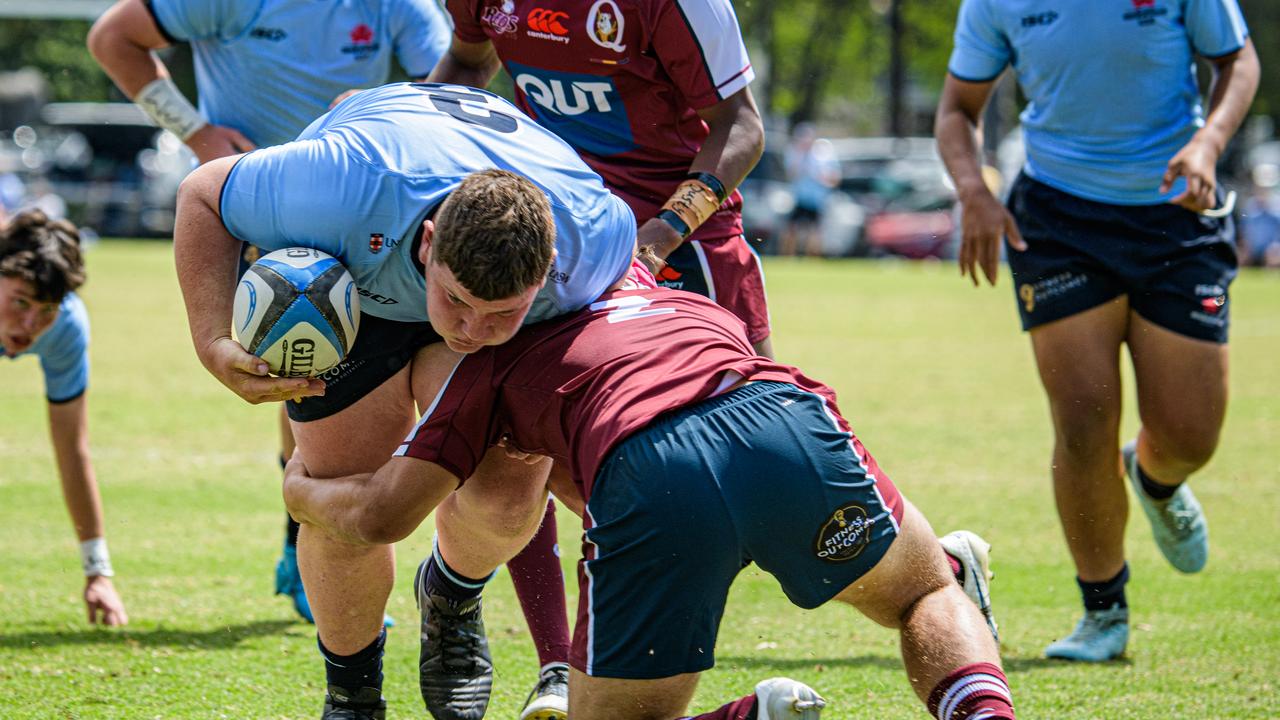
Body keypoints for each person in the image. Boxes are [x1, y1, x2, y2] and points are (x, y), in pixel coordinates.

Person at [281, 284, 1017, 720]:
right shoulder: (653, 283)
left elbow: (383, 515)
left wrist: (299, 487)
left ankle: (751, 715)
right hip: (779, 415)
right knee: (925, 590)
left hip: (652, 476)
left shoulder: (483, 366)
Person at [170, 82, 638, 719]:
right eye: (458, 302)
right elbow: (201, 193)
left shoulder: (594, 243)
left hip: (450, 237)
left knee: (506, 491)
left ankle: (452, 591)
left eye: (500, 312)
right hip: (351, 268)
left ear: (549, 269)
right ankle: (353, 698)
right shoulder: (340, 184)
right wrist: (211, 340)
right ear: (428, 243)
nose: (470, 330)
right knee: (345, 485)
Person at [87, 0, 451, 623]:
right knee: (301, 371)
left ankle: (323, 549)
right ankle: (308, 548)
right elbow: (112, 38)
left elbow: (449, 80)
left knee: (322, 383)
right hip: (265, 212)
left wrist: (386, 108)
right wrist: (196, 134)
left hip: (367, 210)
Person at [935, 0, 1259, 661]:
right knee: (1082, 419)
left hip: (1176, 213)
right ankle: (1103, 612)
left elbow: (1238, 60)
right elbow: (956, 110)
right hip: (1059, 222)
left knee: (1191, 434)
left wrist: (1209, 142)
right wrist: (974, 190)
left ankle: (1156, 476)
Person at [1, 209, 128, 627]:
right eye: (19, 302)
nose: (29, 326)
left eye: (45, 310)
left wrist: (98, 571)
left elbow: (73, 449)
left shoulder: (64, 329)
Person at [780, 123, 840, 257]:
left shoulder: (823, 154)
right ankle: (788, 257)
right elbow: (791, 174)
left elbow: (834, 177)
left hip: (817, 198)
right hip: (800, 197)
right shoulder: (794, 153)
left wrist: (822, 177)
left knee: (815, 231)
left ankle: (813, 258)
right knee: (791, 229)